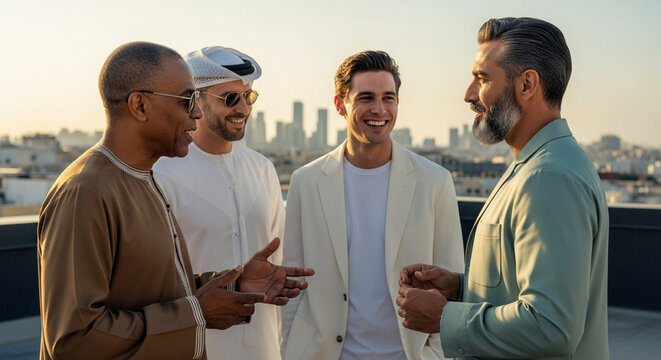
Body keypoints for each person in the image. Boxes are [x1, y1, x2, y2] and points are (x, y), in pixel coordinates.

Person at [37, 41, 313, 360]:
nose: (195, 113)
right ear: (140, 106)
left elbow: (156, 290)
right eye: (187, 100)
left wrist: (236, 284)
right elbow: (73, 340)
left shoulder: (141, 178)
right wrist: (196, 316)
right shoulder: (85, 192)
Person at [397, 17, 609, 359]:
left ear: (527, 85)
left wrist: (445, 318)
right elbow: (524, 291)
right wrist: (459, 288)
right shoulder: (537, 164)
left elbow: (551, 326)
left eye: (482, 79)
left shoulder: (549, 176)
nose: (468, 95)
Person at [281, 50, 465, 360]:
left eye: (388, 98)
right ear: (341, 104)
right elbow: (293, 286)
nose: (379, 109)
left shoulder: (435, 181)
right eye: (366, 97)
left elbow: (453, 285)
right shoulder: (306, 181)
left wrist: (435, 355)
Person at [153, 46, 285, 360]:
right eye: (230, 99)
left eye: (248, 97)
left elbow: (280, 263)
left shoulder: (263, 169)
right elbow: (153, 287)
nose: (243, 109)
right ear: (195, 100)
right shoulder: (162, 174)